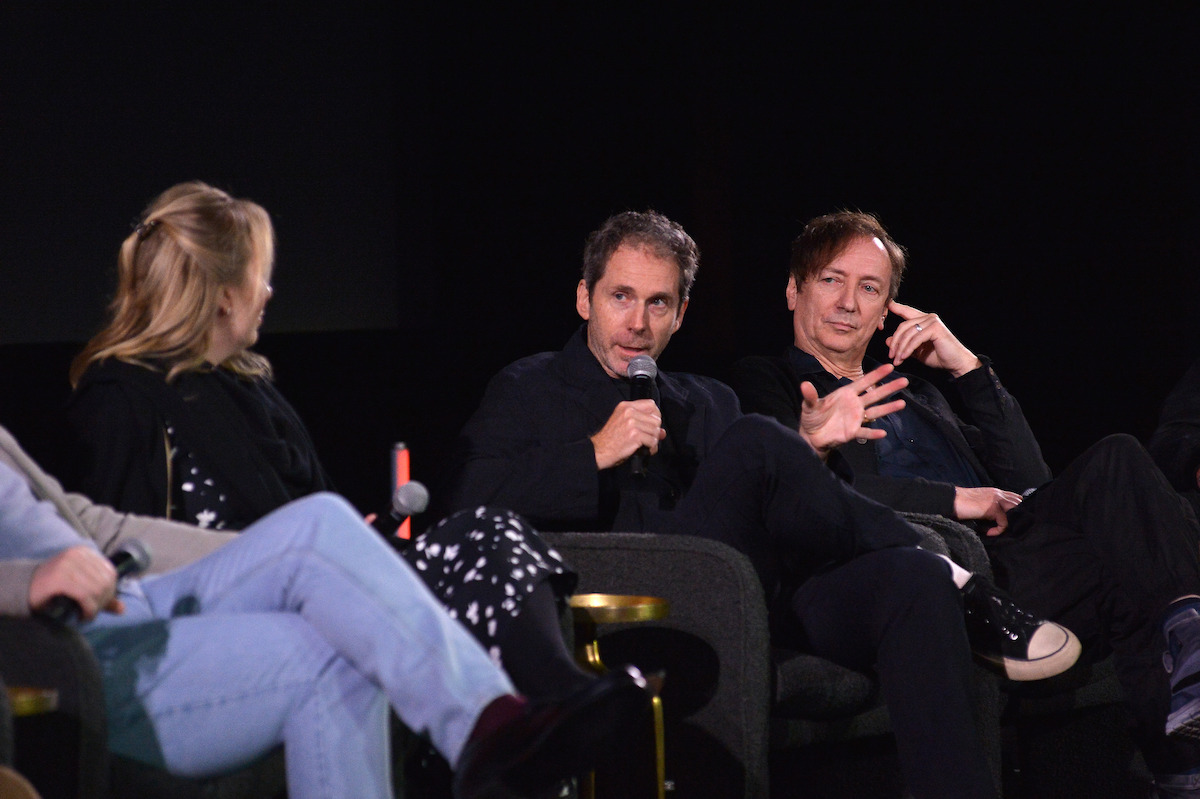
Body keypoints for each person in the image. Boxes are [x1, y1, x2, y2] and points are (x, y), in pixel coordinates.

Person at [445, 209, 1081, 799]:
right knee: (758, 439)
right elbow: (468, 516)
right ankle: (959, 580)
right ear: (585, 298)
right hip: (634, 593)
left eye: (658, 302)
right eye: (621, 297)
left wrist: (810, 450)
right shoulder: (527, 389)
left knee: (911, 581)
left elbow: (778, 517)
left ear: (680, 314)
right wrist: (594, 454)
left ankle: (937, 589)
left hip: (753, 592)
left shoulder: (707, 399)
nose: (638, 323)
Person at [64, 182, 592, 706]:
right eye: (258, 279)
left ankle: (557, 698)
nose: (268, 293)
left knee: (494, 530)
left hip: (330, 587)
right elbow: (124, 554)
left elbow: (316, 507)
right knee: (483, 545)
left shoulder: (252, 388)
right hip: (245, 613)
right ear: (225, 297)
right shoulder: (122, 394)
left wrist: (355, 537)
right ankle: (544, 707)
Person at [730, 209, 1200, 796]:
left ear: (886, 314)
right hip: (934, 574)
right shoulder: (767, 380)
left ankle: (1185, 719)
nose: (849, 302)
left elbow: (1032, 481)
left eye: (869, 288)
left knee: (1127, 477)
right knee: (1133, 547)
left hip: (1017, 562)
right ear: (794, 290)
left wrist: (968, 368)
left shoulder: (925, 394)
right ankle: (1179, 752)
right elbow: (810, 498)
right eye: (831, 280)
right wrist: (957, 499)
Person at [0, 420, 650, 799]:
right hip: (65, 650)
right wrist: (29, 579)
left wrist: (290, 554)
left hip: (131, 600)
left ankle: (492, 723)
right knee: (333, 650)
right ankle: (493, 736)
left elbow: (91, 522)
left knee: (322, 526)